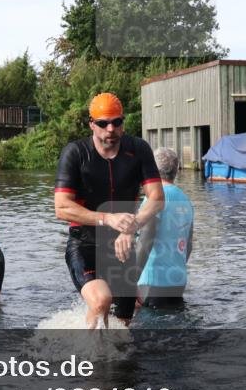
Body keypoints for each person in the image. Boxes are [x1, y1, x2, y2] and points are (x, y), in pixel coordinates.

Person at [54, 92, 164, 328]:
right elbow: (62, 208)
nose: (110, 129)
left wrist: (131, 226)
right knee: (102, 300)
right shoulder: (75, 153)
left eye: (117, 122)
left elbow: (157, 198)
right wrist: (107, 219)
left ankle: (117, 361)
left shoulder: (139, 149)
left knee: (125, 319)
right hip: (85, 244)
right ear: (92, 124)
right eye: (103, 123)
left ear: (123, 122)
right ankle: (90, 359)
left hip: (123, 247)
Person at [135, 148, 194, 309]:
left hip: (151, 281)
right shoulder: (186, 201)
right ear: (176, 170)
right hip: (178, 282)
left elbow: (146, 239)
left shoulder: (154, 198)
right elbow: (188, 246)